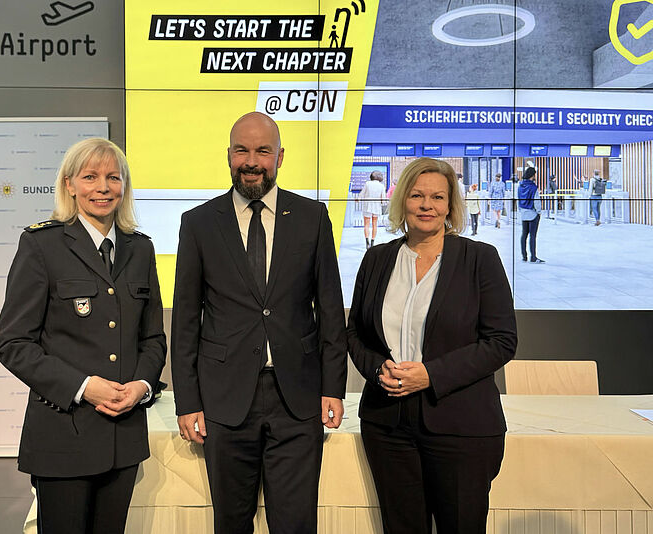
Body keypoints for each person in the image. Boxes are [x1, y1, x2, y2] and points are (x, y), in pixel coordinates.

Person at [171, 112, 347, 534]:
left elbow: (330, 308)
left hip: (298, 399)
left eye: (263, 151)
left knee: (296, 524)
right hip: (224, 398)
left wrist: (332, 387)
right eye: (242, 150)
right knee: (231, 524)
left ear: (280, 157)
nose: (252, 161)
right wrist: (187, 400)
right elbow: (185, 319)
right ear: (228, 156)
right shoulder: (198, 222)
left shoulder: (312, 217)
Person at [0, 138, 166, 534]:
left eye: (112, 177)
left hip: (123, 438)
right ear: (69, 185)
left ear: (124, 185)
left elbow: (153, 338)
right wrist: (84, 387)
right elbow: (13, 344)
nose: (102, 187)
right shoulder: (41, 245)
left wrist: (141, 384)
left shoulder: (141, 250)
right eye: (90, 177)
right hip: (62, 437)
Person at [346, 157, 517, 534]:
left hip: (461, 427)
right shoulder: (377, 259)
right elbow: (355, 333)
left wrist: (430, 375)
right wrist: (377, 370)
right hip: (387, 427)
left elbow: (501, 341)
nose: (427, 205)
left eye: (438, 197)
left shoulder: (479, 259)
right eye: (417, 195)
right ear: (401, 200)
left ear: (451, 204)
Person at [518, 167, 544, 263]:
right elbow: (536, 201)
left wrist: (520, 210)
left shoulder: (520, 186)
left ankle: (524, 256)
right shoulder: (533, 187)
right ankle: (533, 257)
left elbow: (518, 199)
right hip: (533, 214)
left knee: (524, 234)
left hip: (524, 213)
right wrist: (539, 212)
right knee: (533, 235)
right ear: (532, 175)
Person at [360, 170, 386, 249]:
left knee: (366, 224)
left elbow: (362, 194)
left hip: (367, 206)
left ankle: (367, 242)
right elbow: (383, 199)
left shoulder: (367, 184)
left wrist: (358, 199)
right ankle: (372, 242)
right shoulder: (381, 186)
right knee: (375, 225)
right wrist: (382, 203)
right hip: (376, 206)